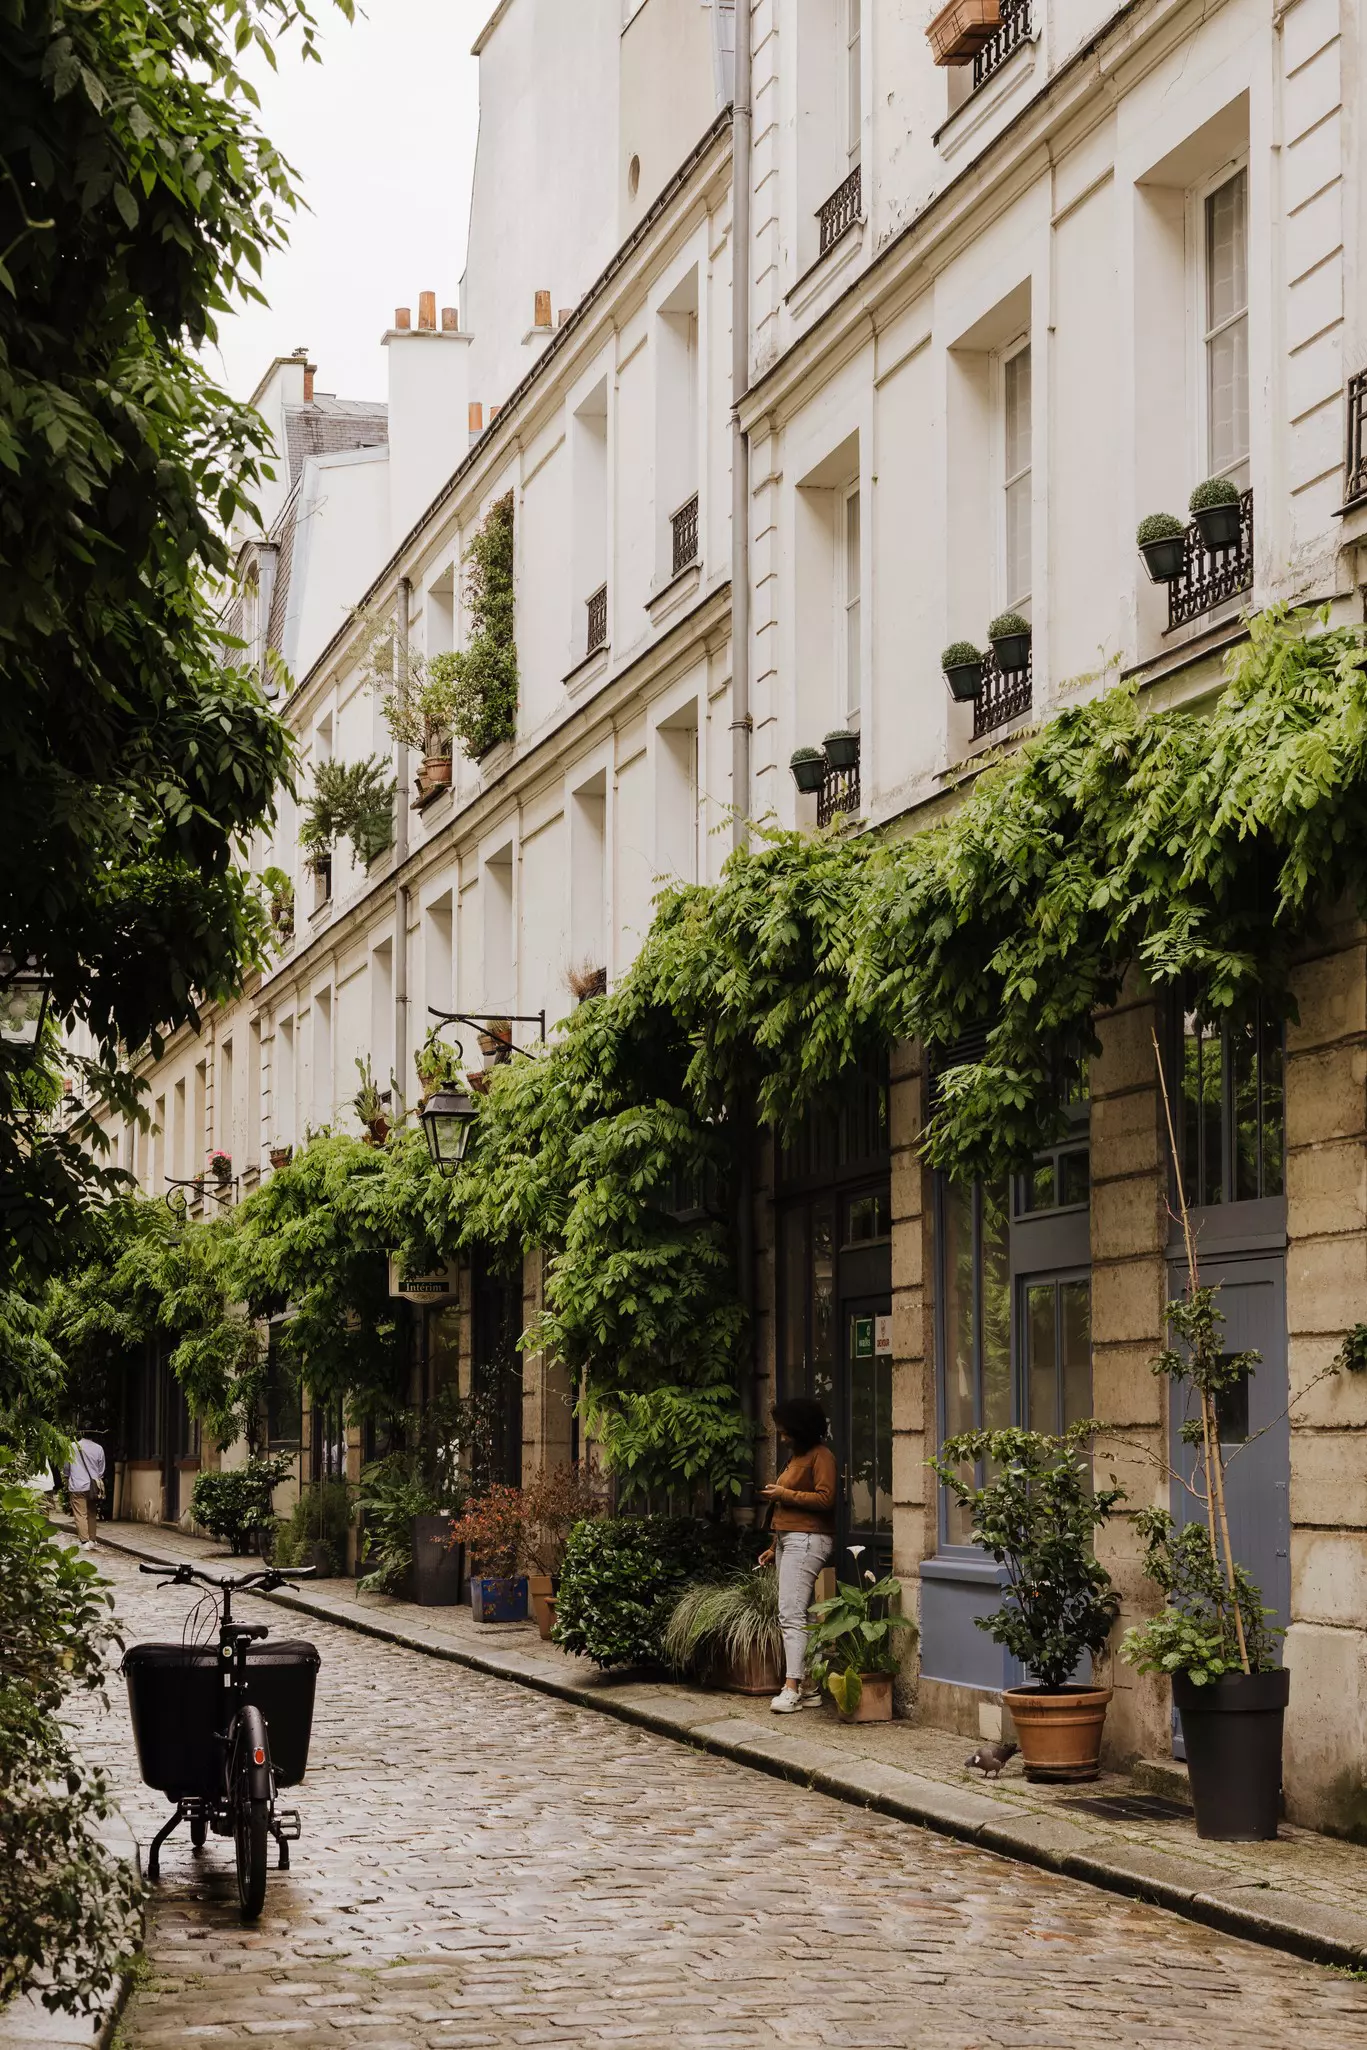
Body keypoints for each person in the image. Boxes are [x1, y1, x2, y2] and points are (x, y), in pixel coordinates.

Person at [758, 1396, 837, 1714]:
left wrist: (783, 1494)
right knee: (801, 1616)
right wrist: (775, 1547)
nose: (782, 1436)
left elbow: (826, 1499)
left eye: (785, 1430)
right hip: (793, 1540)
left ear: (800, 1429)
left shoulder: (821, 1456)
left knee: (790, 1614)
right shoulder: (797, 1457)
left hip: (808, 1540)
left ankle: (791, 1688)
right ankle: (810, 1688)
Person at [64, 1434, 106, 1549]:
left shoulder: (71, 1447)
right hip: (93, 1487)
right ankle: (92, 1539)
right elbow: (101, 1470)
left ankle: (84, 1541)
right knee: (92, 1513)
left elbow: (66, 1468)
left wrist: (67, 1476)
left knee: (80, 1514)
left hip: (77, 1485)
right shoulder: (99, 1448)